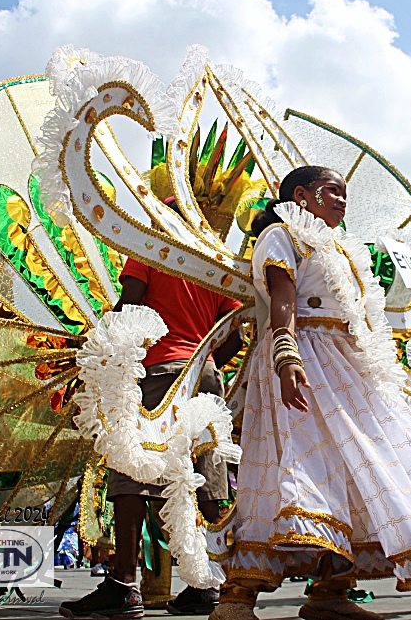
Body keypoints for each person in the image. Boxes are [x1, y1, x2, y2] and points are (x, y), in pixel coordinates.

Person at [212, 166, 411, 620]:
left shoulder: (343, 249)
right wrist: (286, 354)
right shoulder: (280, 233)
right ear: (301, 195)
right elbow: (282, 297)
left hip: (349, 366)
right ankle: (237, 598)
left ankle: (331, 592)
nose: (341, 201)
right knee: (294, 465)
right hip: (304, 355)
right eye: (332, 191)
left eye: (344, 194)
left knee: (354, 471)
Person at [60, 198, 243, 620]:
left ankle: (123, 583)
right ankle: (210, 583)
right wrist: (208, 362)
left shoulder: (149, 249)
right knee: (207, 478)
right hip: (204, 377)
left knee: (133, 469)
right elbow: (234, 328)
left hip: (156, 371)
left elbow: (130, 309)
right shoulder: (211, 259)